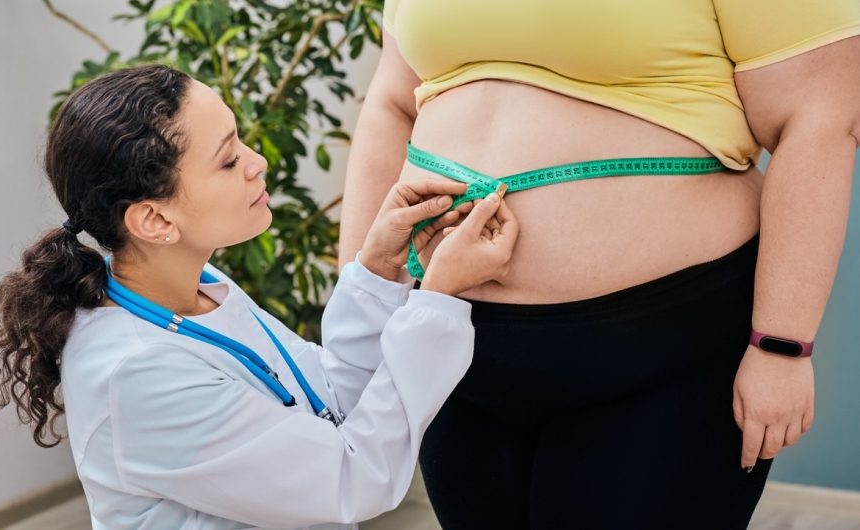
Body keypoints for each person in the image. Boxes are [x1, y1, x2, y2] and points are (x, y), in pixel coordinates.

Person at [338, 1, 860, 528]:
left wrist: (782, 346)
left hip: (661, 354)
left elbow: (820, 112)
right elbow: (391, 103)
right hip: (447, 350)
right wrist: (363, 304)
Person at [0, 64, 519, 530]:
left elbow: (327, 399)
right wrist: (439, 297)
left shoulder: (197, 291)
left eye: (238, 140)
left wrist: (379, 269)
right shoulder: (135, 375)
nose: (257, 160)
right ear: (154, 219)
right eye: (227, 160)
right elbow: (353, 478)